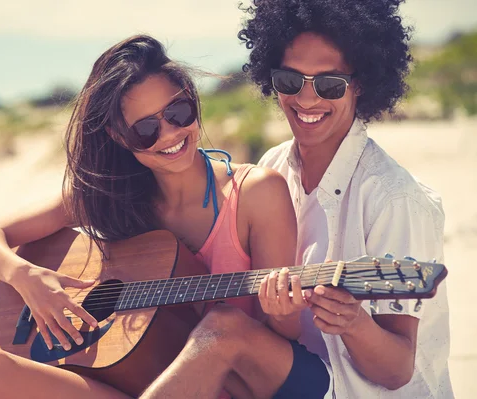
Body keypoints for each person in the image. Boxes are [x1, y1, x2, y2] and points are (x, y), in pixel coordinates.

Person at [0, 34, 329, 399]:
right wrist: (27, 277)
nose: (170, 134)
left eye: (178, 111)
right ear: (117, 136)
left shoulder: (255, 192)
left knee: (222, 326)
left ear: (192, 99)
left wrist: (285, 309)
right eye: (145, 130)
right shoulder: (112, 197)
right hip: (147, 379)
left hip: (255, 380)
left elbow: (285, 335)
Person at [141, 0, 453, 398]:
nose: (306, 99)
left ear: (360, 84)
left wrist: (353, 323)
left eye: (329, 85)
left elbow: (396, 372)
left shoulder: (395, 200)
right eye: (290, 81)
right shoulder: (273, 168)